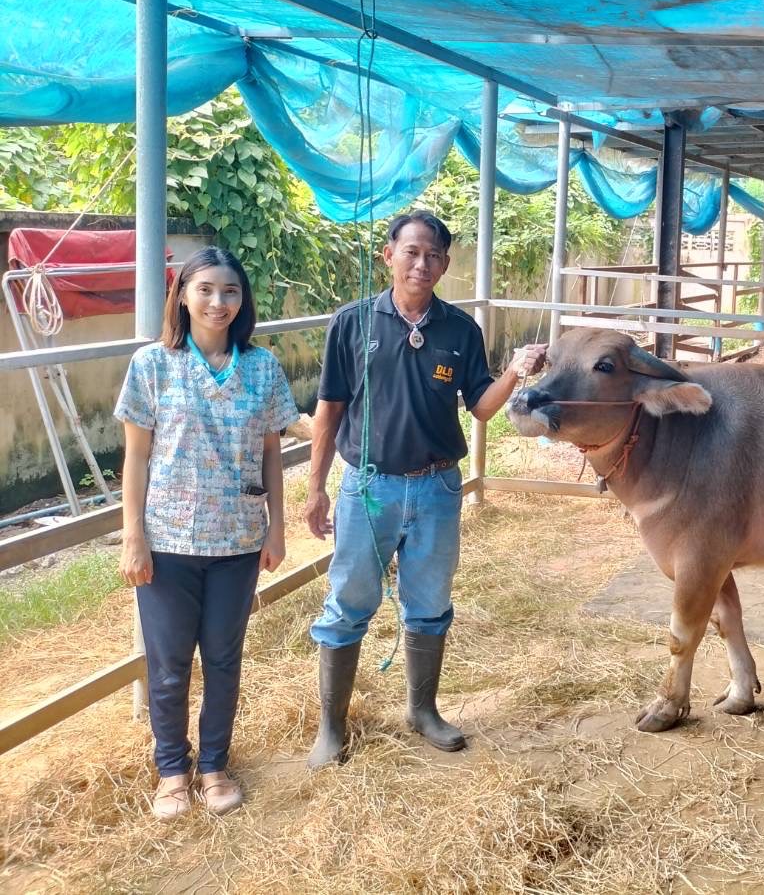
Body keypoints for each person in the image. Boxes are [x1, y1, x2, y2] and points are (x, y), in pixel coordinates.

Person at [304, 209, 545, 768]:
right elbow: (329, 409)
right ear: (387, 256)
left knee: (430, 603)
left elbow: (481, 408)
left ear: (445, 264)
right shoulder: (353, 323)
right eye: (411, 251)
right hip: (369, 487)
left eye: (434, 254)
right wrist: (316, 488)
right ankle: (331, 728)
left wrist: (514, 372)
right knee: (347, 604)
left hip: (437, 487)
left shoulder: (460, 330)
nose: (422, 263)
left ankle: (422, 710)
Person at [115, 247, 298, 819]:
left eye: (231, 292)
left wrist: (276, 529)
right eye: (207, 290)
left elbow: (272, 452)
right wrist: (133, 536)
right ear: (184, 295)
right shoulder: (152, 365)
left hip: (238, 541)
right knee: (168, 666)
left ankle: (215, 765)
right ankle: (172, 771)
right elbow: (137, 458)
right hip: (168, 541)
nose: (219, 302)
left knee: (223, 659)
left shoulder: (263, 366)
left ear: (242, 302)